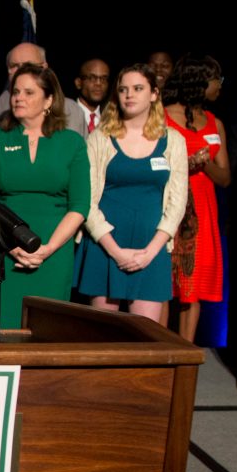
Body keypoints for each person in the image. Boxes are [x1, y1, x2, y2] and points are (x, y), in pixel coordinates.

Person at [0, 63, 90, 329]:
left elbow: (80, 205)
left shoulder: (72, 142)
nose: (18, 98)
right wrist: (12, 246)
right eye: (16, 92)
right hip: (2, 250)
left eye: (28, 92)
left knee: (48, 332)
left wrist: (47, 248)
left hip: (54, 250)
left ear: (49, 99)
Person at [74, 64, 188, 322]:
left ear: (154, 94)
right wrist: (115, 250)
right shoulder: (100, 138)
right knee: (102, 338)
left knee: (146, 340)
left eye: (138, 89)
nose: (129, 95)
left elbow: (177, 203)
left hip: (152, 247)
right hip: (105, 246)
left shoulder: (173, 140)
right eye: (123, 89)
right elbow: (87, 200)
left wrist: (151, 251)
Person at [163, 55, 230, 343]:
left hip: (202, 213)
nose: (220, 86)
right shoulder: (162, 116)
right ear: (199, 81)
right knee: (164, 285)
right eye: (218, 80)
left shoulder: (216, 124)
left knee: (193, 288)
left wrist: (205, 164)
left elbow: (225, 178)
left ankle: (185, 357)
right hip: (170, 207)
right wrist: (185, 163)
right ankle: (157, 353)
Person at [0, 43, 88, 152]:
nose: (21, 71)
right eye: (15, 66)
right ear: (8, 70)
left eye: (29, 66)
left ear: (45, 68)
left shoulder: (72, 111)